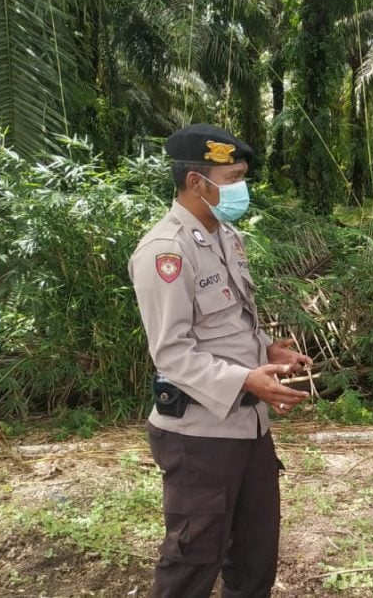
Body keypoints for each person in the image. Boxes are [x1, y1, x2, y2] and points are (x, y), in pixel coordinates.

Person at [129, 123, 312, 598]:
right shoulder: (166, 251)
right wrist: (246, 379)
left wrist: (267, 349)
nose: (241, 188)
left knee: (255, 558)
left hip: (249, 429)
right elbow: (171, 352)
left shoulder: (226, 236)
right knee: (192, 564)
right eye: (233, 178)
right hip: (199, 438)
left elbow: (232, 321)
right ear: (196, 182)